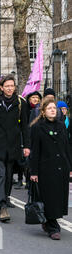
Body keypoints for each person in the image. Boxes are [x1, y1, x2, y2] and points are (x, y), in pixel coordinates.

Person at [0, 74, 30, 222]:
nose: (10, 88)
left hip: (13, 146)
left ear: (14, 87)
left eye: (12, 86)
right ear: (1, 88)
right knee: (1, 175)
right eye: (7, 86)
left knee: (9, 176)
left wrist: (26, 145)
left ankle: (3, 196)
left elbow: (25, 127)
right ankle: (2, 207)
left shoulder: (21, 103)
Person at [30, 98, 72, 240]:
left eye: (54, 108)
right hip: (45, 168)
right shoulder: (37, 127)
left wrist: (70, 166)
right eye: (49, 108)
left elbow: (67, 147)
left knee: (58, 197)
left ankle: (48, 222)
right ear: (43, 111)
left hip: (61, 166)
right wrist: (34, 171)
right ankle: (53, 227)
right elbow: (35, 151)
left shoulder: (61, 126)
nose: (53, 110)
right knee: (49, 198)